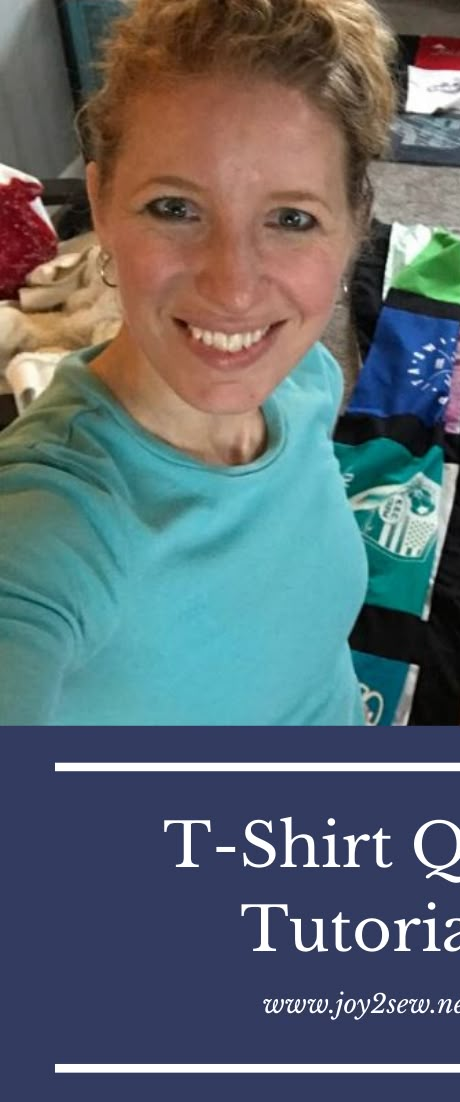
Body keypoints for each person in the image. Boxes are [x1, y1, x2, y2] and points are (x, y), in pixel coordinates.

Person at [0, 0, 397, 725]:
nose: (234, 287)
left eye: (291, 218)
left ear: (354, 228)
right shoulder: (49, 526)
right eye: (175, 208)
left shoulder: (304, 381)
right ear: (101, 203)